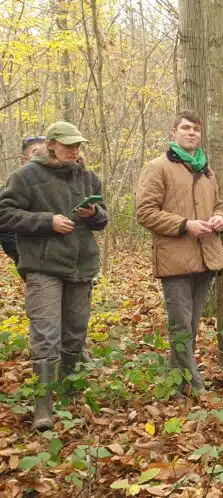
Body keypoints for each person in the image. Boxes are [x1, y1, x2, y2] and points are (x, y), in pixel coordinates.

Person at [0, 121, 107, 430]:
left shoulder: (88, 178)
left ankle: (69, 393)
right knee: (46, 334)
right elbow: (4, 214)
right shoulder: (25, 176)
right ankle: (43, 408)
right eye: (68, 145)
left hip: (81, 265)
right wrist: (47, 221)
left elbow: (102, 220)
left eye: (77, 145)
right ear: (51, 145)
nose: (74, 150)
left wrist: (94, 214)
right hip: (43, 266)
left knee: (75, 334)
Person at [136, 110, 223, 395]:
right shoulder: (157, 167)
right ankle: (195, 385)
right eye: (186, 128)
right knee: (181, 326)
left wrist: (220, 218)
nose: (191, 133)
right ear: (173, 133)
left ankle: (177, 383)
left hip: (206, 255)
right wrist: (185, 224)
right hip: (174, 258)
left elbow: (219, 205)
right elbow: (145, 212)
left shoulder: (207, 170)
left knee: (192, 324)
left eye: (196, 129)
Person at [1, 136, 46, 265]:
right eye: (36, 152)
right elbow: (6, 227)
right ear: (25, 159)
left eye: (45, 152)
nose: (41, 156)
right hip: (31, 261)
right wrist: (22, 257)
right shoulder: (13, 186)